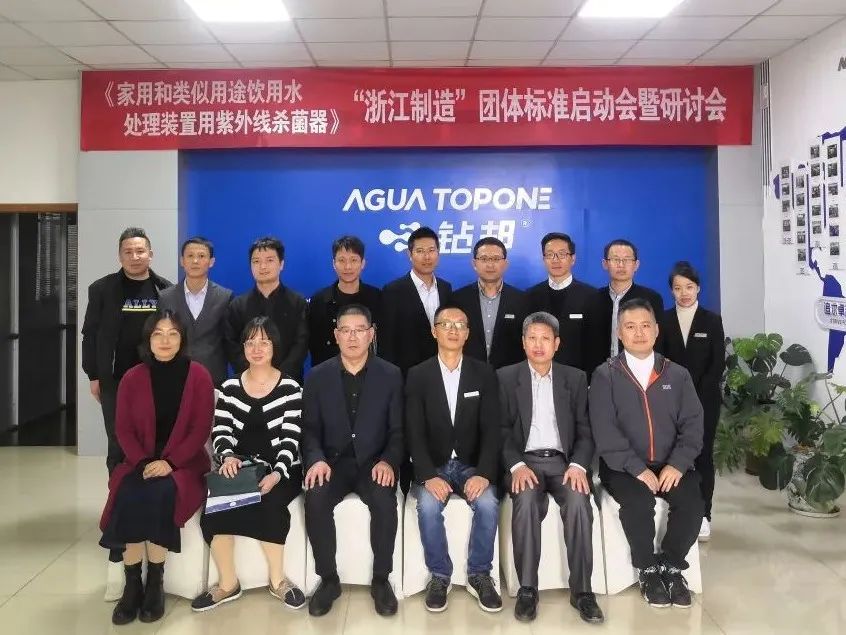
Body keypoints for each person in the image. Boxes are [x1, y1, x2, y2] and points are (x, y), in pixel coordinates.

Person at [98, 309, 214, 625]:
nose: (165, 340)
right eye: (158, 334)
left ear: (182, 339)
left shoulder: (199, 376)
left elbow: (200, 429)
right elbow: (123, 430)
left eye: (172, 334)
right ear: (148, 340)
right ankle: (132, 583)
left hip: (184, 464)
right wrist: (144, 461)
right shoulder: (132, 378)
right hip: (140, 461)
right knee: (128, 491)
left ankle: (155, 582)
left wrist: (170, 463)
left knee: (160, 492)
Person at [589, 298, 704, 609]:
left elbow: (693, 425)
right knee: (639, 503)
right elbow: (604, 430)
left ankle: (672, 565)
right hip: (623, 467)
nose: (638, 333)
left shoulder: (677, 374)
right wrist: (637, 468)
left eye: (645, 326)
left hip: (671, 464)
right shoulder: (605, 375)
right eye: (630, 326)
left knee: (692, 501)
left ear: (656, 330)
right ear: (619, 333)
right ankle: (647, 569)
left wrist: (678, 464)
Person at [192, 317, 306, 612]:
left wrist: (277, 474)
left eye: (264, 342)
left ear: (274, 346)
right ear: (243, 348)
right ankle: (228, 584)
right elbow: (221, 431)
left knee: (270, 504)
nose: (257, 348)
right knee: (214, 510)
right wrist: (227, 456)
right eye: (251, 342)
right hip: (240, 468)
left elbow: (291, 439)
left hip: (283, 470)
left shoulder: (291, 388)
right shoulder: (229, 387)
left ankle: (278, 582)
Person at [498, 312, 603, 624]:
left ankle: (582, 591)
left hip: (564, 463)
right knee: (526, 500)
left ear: (557, 343)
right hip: (525, 462)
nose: (538, 344)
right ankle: (528, 589)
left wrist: (579, 465)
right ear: (523, 342)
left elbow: (586, 430)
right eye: (532, 338)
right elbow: (499, 430)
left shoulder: (575, 378)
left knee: (579, 501)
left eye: (545, 338)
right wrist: (516, 465)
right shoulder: (506, 377)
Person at [302, 304, 403, 617]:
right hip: (332, 463)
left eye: (360, 330)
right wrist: (315, 459)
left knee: (384, 502)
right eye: (345, 330)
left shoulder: (390, 374)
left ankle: (381, 580)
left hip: (374, 463)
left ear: (371, 334)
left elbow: (398, 431)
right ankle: (328, 580)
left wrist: (388, 461)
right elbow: (309, 430)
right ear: (335, 335)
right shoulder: (317, 376)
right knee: (315, 498)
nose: (352, 337)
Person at [405, 304, 502, 613]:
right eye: (446, 324)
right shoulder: (418, 375)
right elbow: (414, 431)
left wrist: (484, 472)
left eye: (460, 324)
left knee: (488, 503)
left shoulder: (483, 373)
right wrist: (427, 475)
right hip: (434, 466)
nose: (453, 329)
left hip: (471, 465)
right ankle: (439, 575)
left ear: (468, 333)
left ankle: (479, 574)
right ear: (434, 331)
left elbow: (492, 429)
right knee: (428, 506)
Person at [82, 227, 172, 475]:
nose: (134, 257)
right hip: (114, 379)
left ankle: (149, 492)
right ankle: (118, 491)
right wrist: (93, 375)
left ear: (150, 254)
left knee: (154, 438)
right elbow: (89, 334)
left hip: (156, 377)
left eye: (140, 251)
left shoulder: (165, 289)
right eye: (128, 252)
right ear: (120, 256)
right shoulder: (101, 289)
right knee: (118, 441)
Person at [658, 262, 725, 542]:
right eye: (677, 288)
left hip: (705, 402)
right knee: (673, 456)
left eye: (689, 287)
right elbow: (659, 362)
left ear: (698, 288)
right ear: (671, 291)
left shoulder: (712, 321)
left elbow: (717, 365)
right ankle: (677, 512)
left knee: (702, 456)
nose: (684, 293)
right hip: (669, 401)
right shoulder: (663, 320)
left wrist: (695, 398)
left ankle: (704, 514)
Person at [225, 236, 308, 382]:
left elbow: (301, 344)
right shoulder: (237, 306)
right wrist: (254, 375)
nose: (263, 266)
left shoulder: (298, 303)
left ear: (281, 264)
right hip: (249, 383)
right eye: (256, 261)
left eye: (269, 260)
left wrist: (280, 377)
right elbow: (232, 346)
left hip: (289, 381)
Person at [584, 239, 664, 379]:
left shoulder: (651, 299)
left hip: (641, 376)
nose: (621, 265)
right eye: (615, 259)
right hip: (599, 376)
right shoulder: (591, 300)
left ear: (636, 265)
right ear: (605, 264)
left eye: (626, 260)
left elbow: (660, 342)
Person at [158, 237, 233, 386]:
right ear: (182, 261)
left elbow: (229, 341)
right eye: (190, 256)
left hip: (213, 378)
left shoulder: (225, 297)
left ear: (211, 262)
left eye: (201, 256)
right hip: (174, 375)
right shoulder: (165, 297)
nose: (195, 261)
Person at [380, 226, 453, 375]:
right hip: (407, 374)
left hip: (443, 372)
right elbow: (386, 342)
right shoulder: (393, 291)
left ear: (438, 253)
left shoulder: (446, 288)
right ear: (410, 254)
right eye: (420, 251)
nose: (427, 257)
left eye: (431, 250)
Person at [452, 237, 527, 369]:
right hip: (469, 372)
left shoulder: (522, 300)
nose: (490, 264)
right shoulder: (458, 299)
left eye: (496, 259)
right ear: (474, 263)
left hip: (509, 374)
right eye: (484, 259)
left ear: (505, 264)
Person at [526, 232, 596, 372]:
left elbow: (595, 343)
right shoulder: (530, 295)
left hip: (578, 375)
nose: (555, 260)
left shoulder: (591, 296)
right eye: (550, 254)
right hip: (538, 373)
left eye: (562, 254)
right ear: (544, 259)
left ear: (573, 259)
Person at [308, 236, 382, 366]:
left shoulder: (377, 298)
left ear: (363, 263)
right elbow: (314, 346)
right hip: (328, 372)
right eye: (341, 260)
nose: (347, 267)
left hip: (370, 371)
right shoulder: (319, 300)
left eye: (353, 260)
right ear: (334, 263)